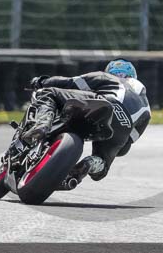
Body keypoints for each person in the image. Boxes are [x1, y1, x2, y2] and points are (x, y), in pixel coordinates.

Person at [23, 59, 151, 186]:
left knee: (49, 92)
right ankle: (90, 164)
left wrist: (41, 81)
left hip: (105, 103)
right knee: (103, 163)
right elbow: (125, 146)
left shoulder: (107, 77)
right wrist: (112, 148)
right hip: (124, 126)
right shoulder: (146, 106)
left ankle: (42, 125)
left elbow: (70, 82)